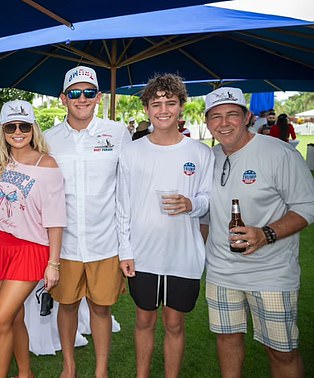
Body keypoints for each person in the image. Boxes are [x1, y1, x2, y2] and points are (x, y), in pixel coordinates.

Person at [203, 87, 314, 378]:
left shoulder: (278, 153)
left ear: (248, 116)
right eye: (215, 117)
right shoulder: (209, 158)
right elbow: (204, 213)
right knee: (227, 338)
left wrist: (266, 233)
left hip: (271, 273)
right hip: (221, 271)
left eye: (232, 115)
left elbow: (306, 206)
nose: (223, 123)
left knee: (281, 350)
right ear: (207, 123)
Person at [117, 73, 213, 378]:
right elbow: (122, 206)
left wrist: (191, 205)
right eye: (156, 103)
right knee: (144, 320)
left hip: (183, 254)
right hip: (143, 253)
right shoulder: (131, 151)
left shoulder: (200, 153)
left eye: (170, 103)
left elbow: (208, 199)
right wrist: (125, 250)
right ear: (146, 108)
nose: (163, 110)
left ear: (181, 106)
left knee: (174, 322)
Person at [44, 66, 131, 378]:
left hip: (104, 241)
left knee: (101, 308)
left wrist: (127, 245)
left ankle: (101, 370)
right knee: (65, 306)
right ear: (63, 98)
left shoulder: (119, 133)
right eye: (75, 93)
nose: (82, 99)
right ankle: (69, 367)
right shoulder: (48, 139)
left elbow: (126, 191)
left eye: (89, 93)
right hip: (65, 244)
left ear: (99, 97)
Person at [0, 99, 66, 378]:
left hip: (30, 249)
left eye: (24, 126)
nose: (18, 132)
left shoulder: (47, 164)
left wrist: (53, 263)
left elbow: (55, 218)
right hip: (0, 245)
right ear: (3, 130)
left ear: (33, 128)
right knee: (13, 316)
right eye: (10, 127)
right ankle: (25, 373)